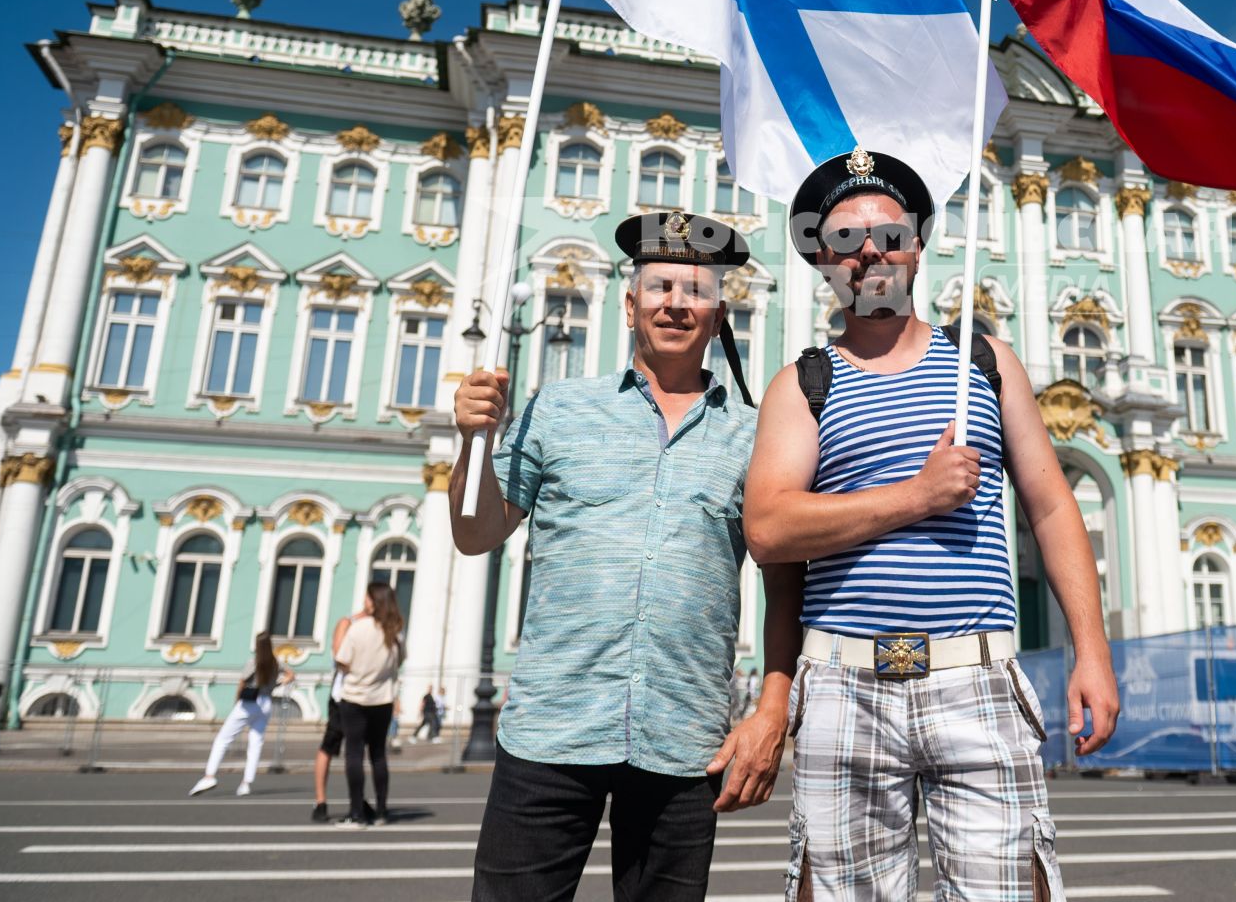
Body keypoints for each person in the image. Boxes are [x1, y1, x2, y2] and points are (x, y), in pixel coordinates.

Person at [745, 147, 1122, 901]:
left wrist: (1092, 650)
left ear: (918, 244)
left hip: (976, 675)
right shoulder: (802, 383)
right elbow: (769, 528)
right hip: (845, 680)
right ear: (825, 259)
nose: (870, 252)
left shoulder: (984, 362)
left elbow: (1050, 503)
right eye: (846, 241)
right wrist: (915, 497)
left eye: (888, 233)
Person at [452, 210, 801, 902]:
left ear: (719, 311)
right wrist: (470, 442)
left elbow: (786, 587)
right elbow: (476, 532)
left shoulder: (755, 434)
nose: (675, 301)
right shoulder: (557, 407)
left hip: (684, 736)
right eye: (660, 285)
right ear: (629, 301)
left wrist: (771, 710)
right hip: (553, 726)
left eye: (694, 288)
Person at [332, 581, 404, 828]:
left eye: (367, 598)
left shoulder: (358, 629)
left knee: (354, 754)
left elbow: (342, 661)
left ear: (374, 601)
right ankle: (382, 810)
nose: (364, 601)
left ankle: (357, 813)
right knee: (378, 755)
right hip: (382, 699)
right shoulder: (395, 632)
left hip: (355, 699)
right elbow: (400, 661)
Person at [190, 634, 291, 797]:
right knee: (256, 743)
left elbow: (242, 683)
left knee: (223, 739)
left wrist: (236, 702)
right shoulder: (276, 662)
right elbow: (291, 675)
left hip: (249, 703)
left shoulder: (253, 662)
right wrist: (277, 684)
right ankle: (246, 783)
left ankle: (209, 776)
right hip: (266, 702)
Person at [310, 618, 353, 822]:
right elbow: (339, 656)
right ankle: (320, 801)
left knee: (356, 750)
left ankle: (357, 800)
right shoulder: (348, 623)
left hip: (363, 695)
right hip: (342, 696)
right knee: (329, 746)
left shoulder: (374, 625)